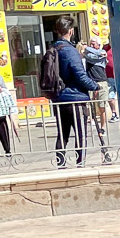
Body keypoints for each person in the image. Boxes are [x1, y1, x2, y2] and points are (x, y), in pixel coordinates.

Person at [47, 16, 99, 168]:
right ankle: (80, 164)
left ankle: (61, 164)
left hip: (59, 98)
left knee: (62, 134)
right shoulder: (70, 50)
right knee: (81, 134)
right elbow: (80, 74)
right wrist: (94, 86)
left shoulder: (53, 49)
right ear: (70, 31)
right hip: (75, 98)